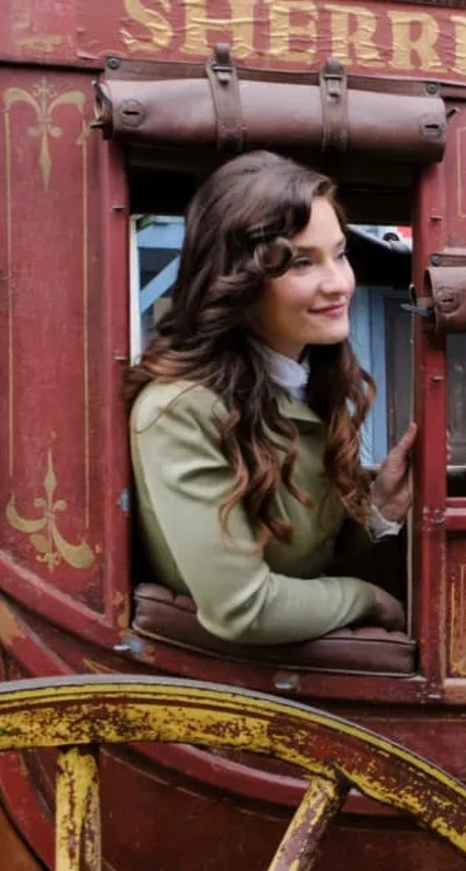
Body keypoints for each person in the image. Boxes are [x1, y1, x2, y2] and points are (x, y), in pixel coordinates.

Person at [126, 151, 418, 645]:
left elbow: (301, 555)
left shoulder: (305, 380)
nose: (340, 283)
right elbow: (243, 608)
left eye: (340, 253)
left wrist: (379, 512)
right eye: (303, 262)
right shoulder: (181, 411)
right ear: (239, 281)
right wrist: (367, 599)